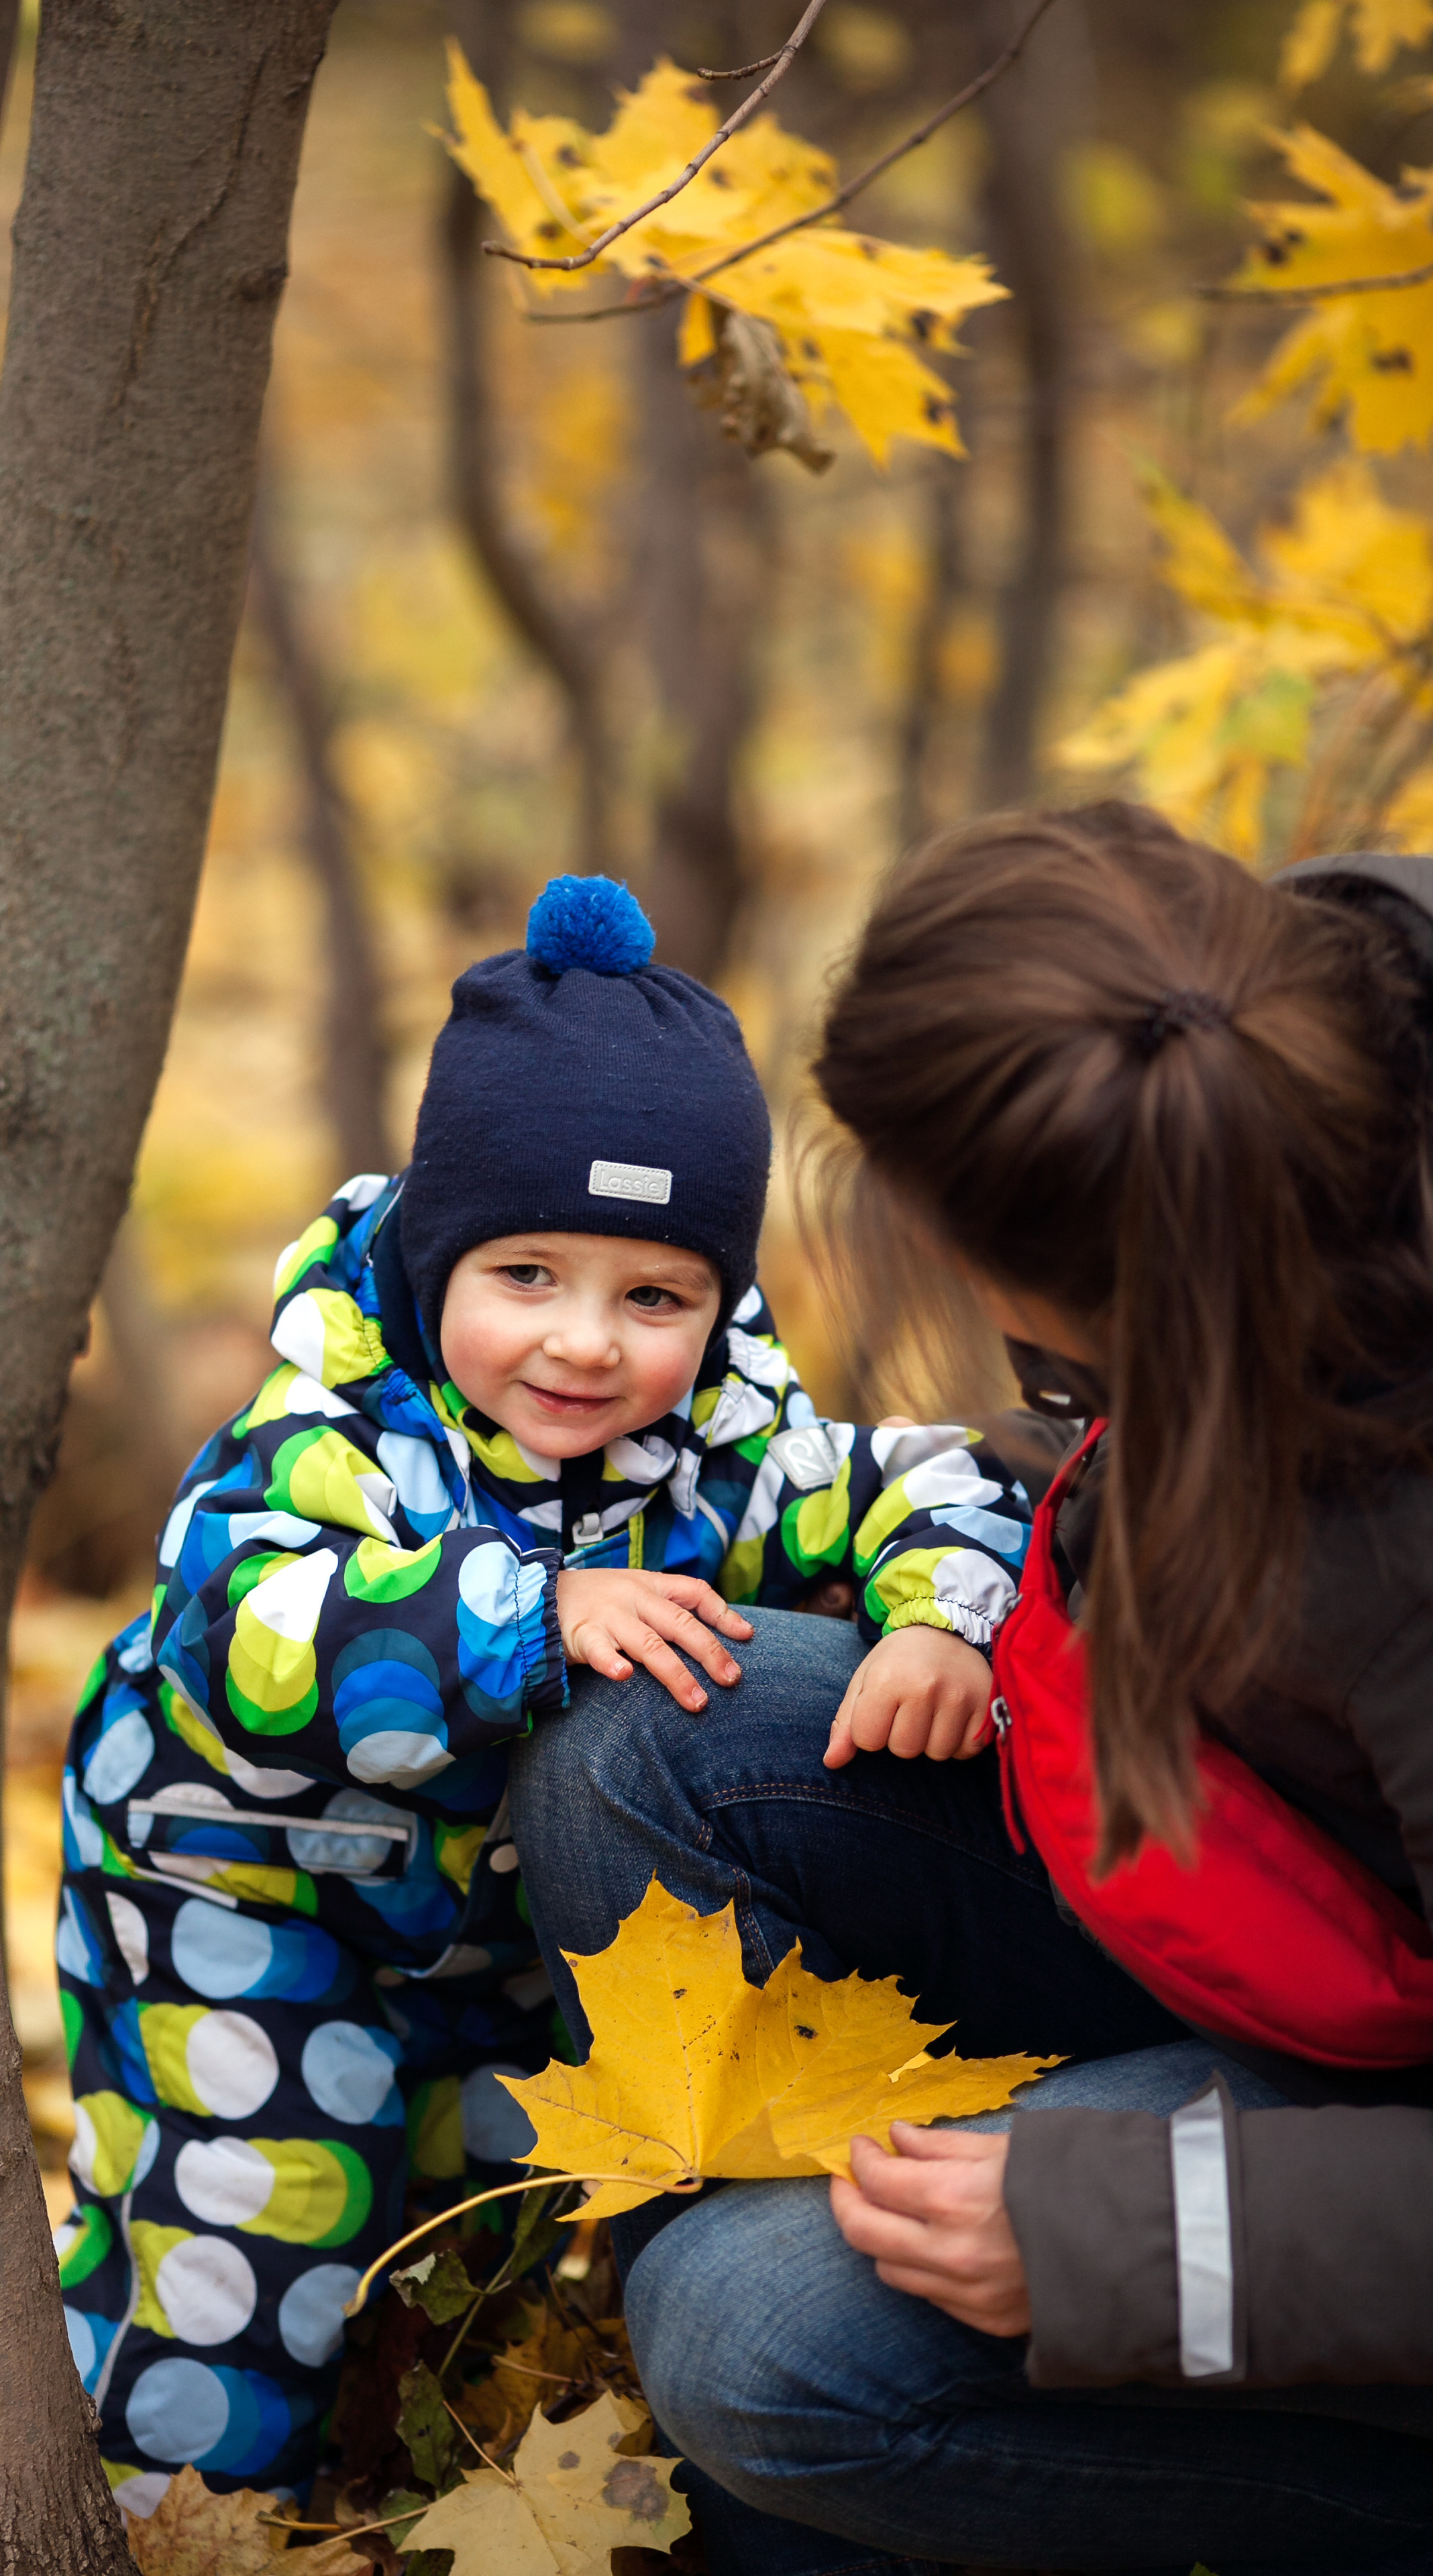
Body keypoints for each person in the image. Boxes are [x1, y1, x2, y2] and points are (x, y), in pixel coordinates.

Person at [511, 807, 1433, 2576]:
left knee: (752, 2339)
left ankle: (866, 2440)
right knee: (640, 1744)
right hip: (1264, 1871)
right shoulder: (1271, 1040)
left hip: (1371, 2130)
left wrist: (1140, 2240)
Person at [52, 873, 1030, 2513]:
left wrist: (939, 1618)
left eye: (653, 1297)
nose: (584, 1343)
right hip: (238, 1908)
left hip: (487, 1941)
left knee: (475, 2238)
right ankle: (175, 2523)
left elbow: (931, 1477)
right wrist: (524, 1616)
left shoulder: (733, 1443)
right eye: (526, 1273)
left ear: (714, 1306)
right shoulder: (333, 1435)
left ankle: (407, 2483)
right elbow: (253, 1634)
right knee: (239, 2244)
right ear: (439, 1251)